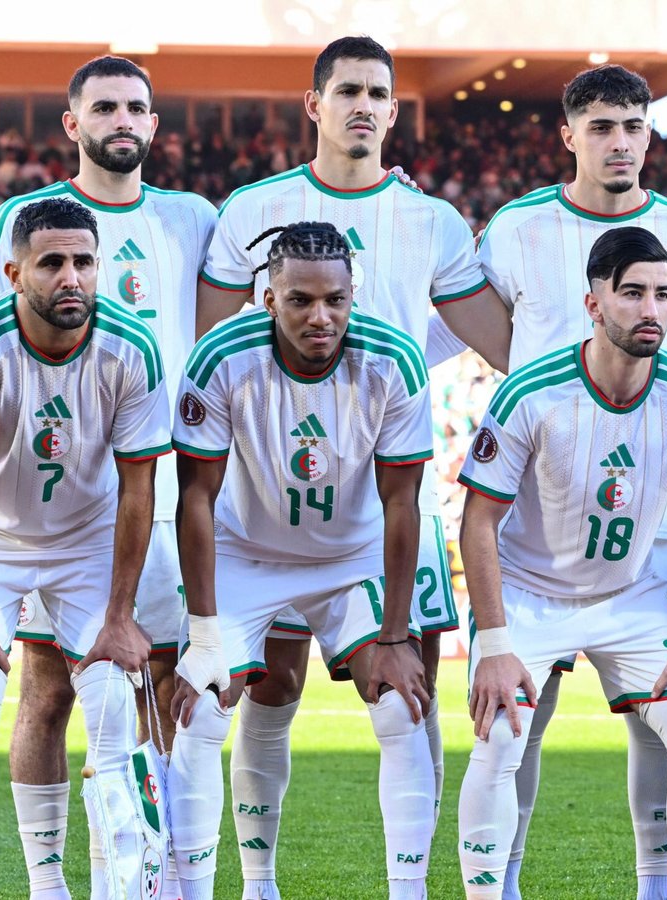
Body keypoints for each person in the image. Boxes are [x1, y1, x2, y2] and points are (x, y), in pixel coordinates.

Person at [194, 35, 511, 899]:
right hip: (263, 497)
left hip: (380, 488)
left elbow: (504, 344)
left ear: (395, 109)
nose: (363, 105)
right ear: (315, 104)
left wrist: (409, 365)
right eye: (347, 91)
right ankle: (256, 882)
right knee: (271, 688)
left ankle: (414, 884)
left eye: (379, 92)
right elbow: (210, 350)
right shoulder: (253, 209)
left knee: (411, 689)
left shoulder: (434, 221)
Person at [0, 55, 215, 900]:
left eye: (137, 107)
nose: (122, 120)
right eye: (103, 106)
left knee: (161, 684)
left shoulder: (192, 218)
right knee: (46, 690)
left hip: (162, 489)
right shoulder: (23, 220)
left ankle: (152, 878)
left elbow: (277, 259)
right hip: (56, 501)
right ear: (72, 124)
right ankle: (48, 883)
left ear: (154, 124)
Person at [472, 63, 667, 900]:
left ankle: (660, 885)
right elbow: (490, 334)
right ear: (570, 135)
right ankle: (501, 882)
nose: (621, 143)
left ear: (650, 136)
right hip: (544, 509)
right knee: (520, 724)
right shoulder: (515, 227)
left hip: (659, 515)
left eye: (634, 127)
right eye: (604, 127)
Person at [167, 222, 436, 900]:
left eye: (336, 300)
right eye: (301, 301)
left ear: (353, 295)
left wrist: (398, 636)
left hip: (351, 557)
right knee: (201, 706)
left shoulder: (394, 360)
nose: (322, 317)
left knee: (404, 706)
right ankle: (228, 889)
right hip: (244, 553)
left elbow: (402, 503)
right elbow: (194, 498)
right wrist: (202, 637)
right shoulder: (220, 356)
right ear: (268, 298)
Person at [0, 197, 170, 900]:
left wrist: (121, 616)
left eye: (85, 262)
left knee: (111, 716)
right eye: (53, 262)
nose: (72, 277)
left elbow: (138, 491)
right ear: (13, 272)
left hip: (87, 542)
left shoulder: (133, 347)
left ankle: (106, 893)